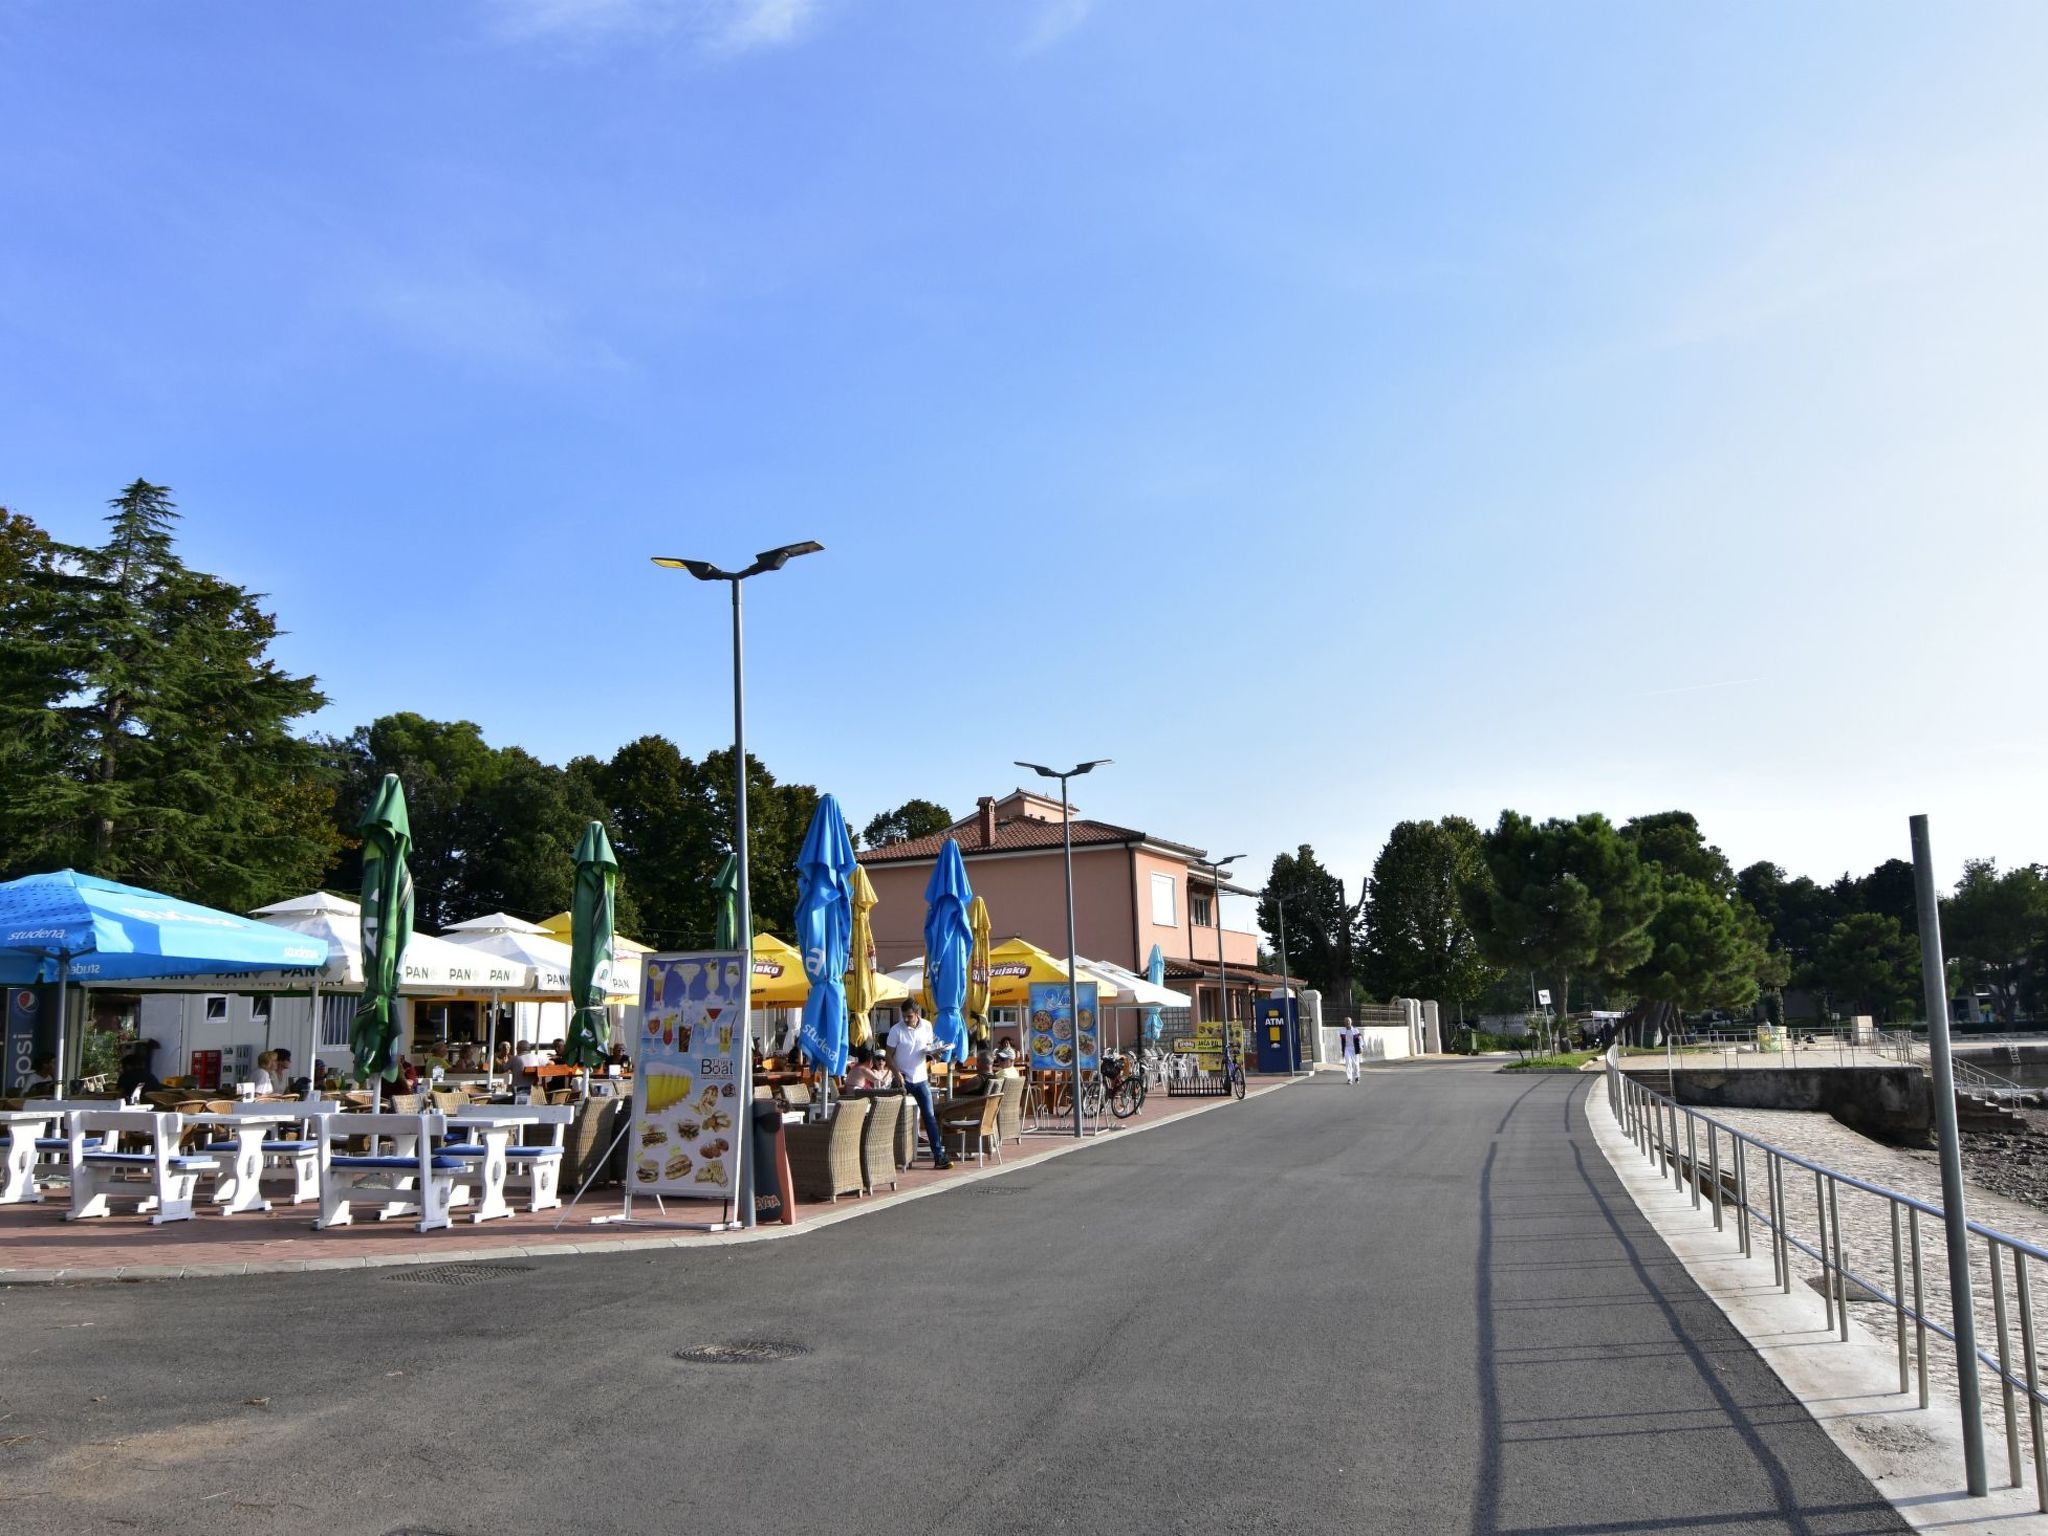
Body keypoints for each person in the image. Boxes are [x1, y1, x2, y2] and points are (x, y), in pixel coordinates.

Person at [887, 1002, 951, 1169]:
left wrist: (935, 1053)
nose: (906, 1020)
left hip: (921, 1078)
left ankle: (939, 1157)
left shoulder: (927, 1026)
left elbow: (927, 1049)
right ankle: (892, 1155)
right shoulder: (896, 1030)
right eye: (904, 1016)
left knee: (929, 1117)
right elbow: (888, 1056)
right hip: (902, 1078)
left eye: (909, 1016)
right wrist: (897, 1074)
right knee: (894, 1117)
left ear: (917, 1014)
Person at [1338, 1014, 1363, 1085]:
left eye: (1348, 1021)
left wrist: (1361, 1047)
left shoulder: (1355, 1030)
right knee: (1348, 1063)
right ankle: (1349, 1078)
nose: (1347, 1022)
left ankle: (1357, 1077)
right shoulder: (1342, 1030)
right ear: (1344, 1022)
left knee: (1355, 1063)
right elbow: (1340, 1040)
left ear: (1351, 1022)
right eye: (1346, 1021)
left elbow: (1360, 1039)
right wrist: (1341, 1050)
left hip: (1355, 1048)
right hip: (1347, 1048)